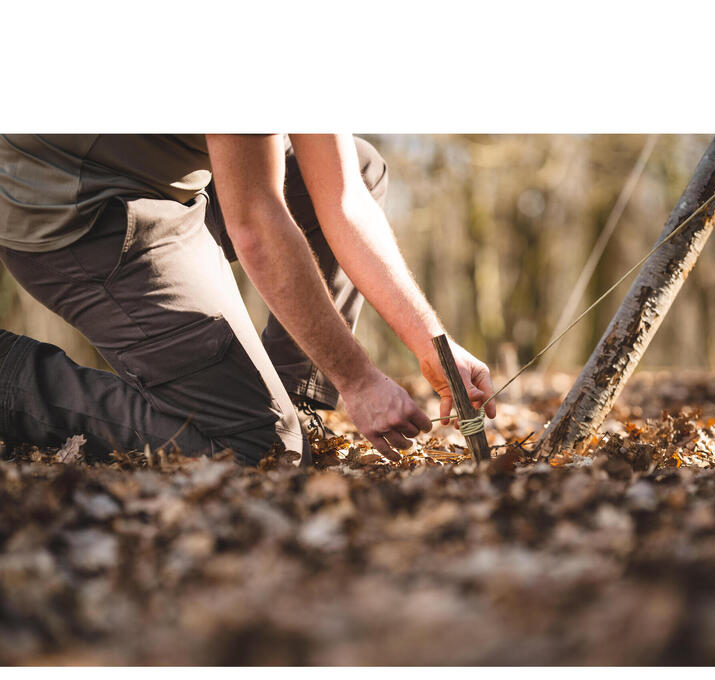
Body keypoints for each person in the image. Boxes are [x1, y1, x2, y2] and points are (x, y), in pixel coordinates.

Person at [0, 134, 496, 465]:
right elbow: (257, 225)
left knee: (359, 167)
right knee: (259, 452)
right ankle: (11, 377)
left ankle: (291, 398)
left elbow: (343, 199)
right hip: (77, 206)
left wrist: (432, 342)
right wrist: (359, 380)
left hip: (169, 179)